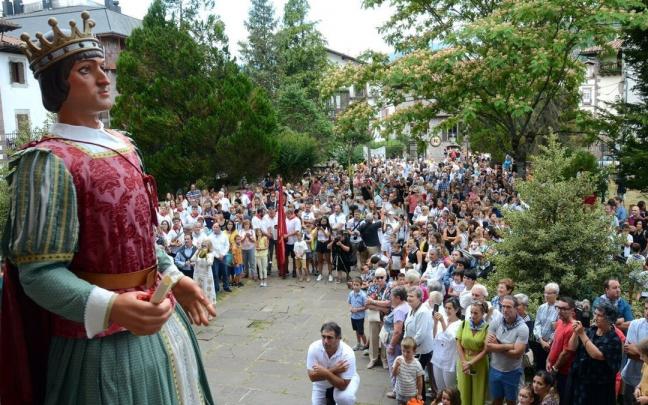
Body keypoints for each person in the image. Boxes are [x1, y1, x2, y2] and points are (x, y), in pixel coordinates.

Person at [1, 11, 215, 404]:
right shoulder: (48, 161)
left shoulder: (125, 146)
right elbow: (38, 273)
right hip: (100, 352)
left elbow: (142, 238)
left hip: (161, 327)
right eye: (86, 70)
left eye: (103, 68)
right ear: (58, 84)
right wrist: (112, 305)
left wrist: (172, 275)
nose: (104, 78)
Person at [567, 302, 623, 405]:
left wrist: (582, 334)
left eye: (599, 315)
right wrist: (575, 333)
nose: (595, 317)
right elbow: (572, 347)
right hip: (581, 383)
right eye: (595, 314)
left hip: (599, 388)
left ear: (609, 319)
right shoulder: (590, 331)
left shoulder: (613, 338)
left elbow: (597, 355)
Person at [486, 295, 529, 405]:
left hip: (512, 372)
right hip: (495, 368)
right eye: (503, 306)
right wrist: (509, 346)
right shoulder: (496, 321)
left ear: (516, 308)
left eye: (509, 307)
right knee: (496, 400)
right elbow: (488, 346)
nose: (505, 310)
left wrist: (498, 344)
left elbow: (517, 355)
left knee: (511, 401)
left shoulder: (523, 328)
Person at [306, 322, 360, 405]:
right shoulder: (314, 348)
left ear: (338, 338)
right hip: (321, 384)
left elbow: (343, 385)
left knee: (345, 398)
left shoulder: (347, 353)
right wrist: (333, 369)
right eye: (323, 337)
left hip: (344, 379)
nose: (325, 341)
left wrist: (325, 372)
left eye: (329, 338)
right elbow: (312, 377)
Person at [456, 301, 490, 405]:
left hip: (479, 362)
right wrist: (464, 362)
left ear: (483, 313)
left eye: (476, 313)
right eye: (471, 312)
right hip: (463, 360)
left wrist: (471, 363)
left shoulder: (487, 327)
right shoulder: (463, 324)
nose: (472, 315)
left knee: (478, 392)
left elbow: (486, 349)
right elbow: (458, 343)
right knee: (463, 390)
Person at [545, 297, 576, 404]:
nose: (560, 311)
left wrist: (555, 367)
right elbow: (555, 344)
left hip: (564, 373)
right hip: (554, 370)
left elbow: (567, 353)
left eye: (564, 309)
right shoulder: (559, 322)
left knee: (563, 400)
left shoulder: (573, 327)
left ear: (572, 310)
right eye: (558, 308)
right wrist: (548, 360)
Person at [385, 286, 410, 398]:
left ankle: (396, 391)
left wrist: (391, 346)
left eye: (392, 297)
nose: (390, 298)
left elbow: (397, 331)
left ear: (398, 298)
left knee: (394, 367)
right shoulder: (406, 305)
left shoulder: (399, 310)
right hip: (401, 343)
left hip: (396, 344)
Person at [432, 297, 462, 391]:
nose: (447, 310)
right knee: (440, 389)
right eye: (445, 307)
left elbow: (451, 339)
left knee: (450, 390)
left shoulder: (460, 324)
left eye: (450, 308)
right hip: (437, 358)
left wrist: (442, 322)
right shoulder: (442, 319)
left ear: (456, 310)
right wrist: (436, 323)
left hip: (449, 360)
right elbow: (434, 336)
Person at [622, 300, 648, 405]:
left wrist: (636, 349)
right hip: (631, 377)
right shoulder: (635, 324)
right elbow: (629, 352)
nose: (647, 312)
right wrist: (644, 353)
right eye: (646, 308)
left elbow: (634, 352)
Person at [532, 282, 559, 372]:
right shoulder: (541, 307)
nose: (546, 295)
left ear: (556, 294)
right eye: (545, 292)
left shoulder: (559, 309)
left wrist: (549, 342)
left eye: (549, 293)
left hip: (551, 345)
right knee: (539, 368)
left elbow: (558, 329)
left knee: (549, 369)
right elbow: (537, 324)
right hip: (539, 343)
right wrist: (541, 340)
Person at [392, 337, 425, 405]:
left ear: (414, 351)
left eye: (408, 352)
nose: (405, 354)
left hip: (411, 394)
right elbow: (394, 374)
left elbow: (420, 381)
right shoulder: (398, 360)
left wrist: (419, 394)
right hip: (400, 392)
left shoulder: (417, 364)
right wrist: (396, 366)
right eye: (403, 351)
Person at [190, 240, 216, 316]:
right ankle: (201, 312)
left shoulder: (211, 254)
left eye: (205, 246)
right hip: (197, 276)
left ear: (209, 247)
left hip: (206, 277)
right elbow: (192, 259)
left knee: (207, 294)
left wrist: (206, 254)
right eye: (202, 245)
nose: (203, 247)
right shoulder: (198, 253)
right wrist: (198, 250)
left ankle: (210, 313)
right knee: (199, 294)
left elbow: (209, 263)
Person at [348, 277, 368, 350]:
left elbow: (366, 307)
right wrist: (351, 308)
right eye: (354, 285)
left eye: (357, 285)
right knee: (356, 330)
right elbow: (349, 303)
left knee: (361, 332)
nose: (355, 286)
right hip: (353, 316)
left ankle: (366, 346)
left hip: (360, 317)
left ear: (361, 285)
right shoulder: (351, 294)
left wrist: (357, 309)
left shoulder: (363, 295)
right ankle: (358, 343)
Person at [633, 338, 648, 404]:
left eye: (643, 356)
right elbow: (643, 379)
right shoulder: (646, 364)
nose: (640, 358)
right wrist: (638, 387)